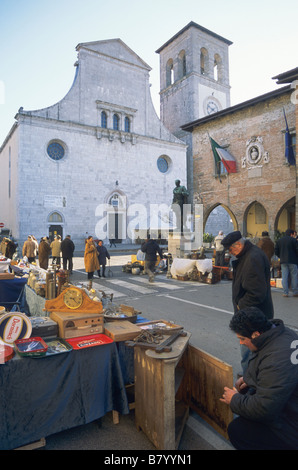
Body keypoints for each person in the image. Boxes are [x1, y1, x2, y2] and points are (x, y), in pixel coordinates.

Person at [220, 307, 298, 450]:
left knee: (237, 430)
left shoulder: (276, 358)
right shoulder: (284, 334)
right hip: (289, 401)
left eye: (242, 338)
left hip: (291, 423)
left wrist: (234, 399)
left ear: (256, 334)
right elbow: (268, 369)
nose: (241, 343)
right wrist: (249, 378)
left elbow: (265, 409)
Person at [221, 230, 273, 372]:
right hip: (251, 315)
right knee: (252, 355)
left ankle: (249, 384)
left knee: (248, 355)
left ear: (238, 244)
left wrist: (240, 305)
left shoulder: (252, 258)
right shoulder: (248, 255)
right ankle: (250, 379)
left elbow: (256, 293)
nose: (230, 253)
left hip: (252, 318)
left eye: (231, 249)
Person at [274, 228, 298, 297]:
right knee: (294, 276)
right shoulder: (294, 240)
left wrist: (280, 256)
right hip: (293, 261)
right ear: (291, 234)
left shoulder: (279, 241)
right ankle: (295, 292)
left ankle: (285, 292)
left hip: (283, 261)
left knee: (284, 276)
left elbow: (276, 251)